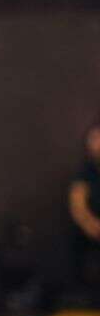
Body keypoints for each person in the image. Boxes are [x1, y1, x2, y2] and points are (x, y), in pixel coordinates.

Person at [67, 121, 100, 305]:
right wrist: (90, 224)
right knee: (76, 241)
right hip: (90, 228)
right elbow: (77, 204)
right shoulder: (85, 171)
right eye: (95, 139)